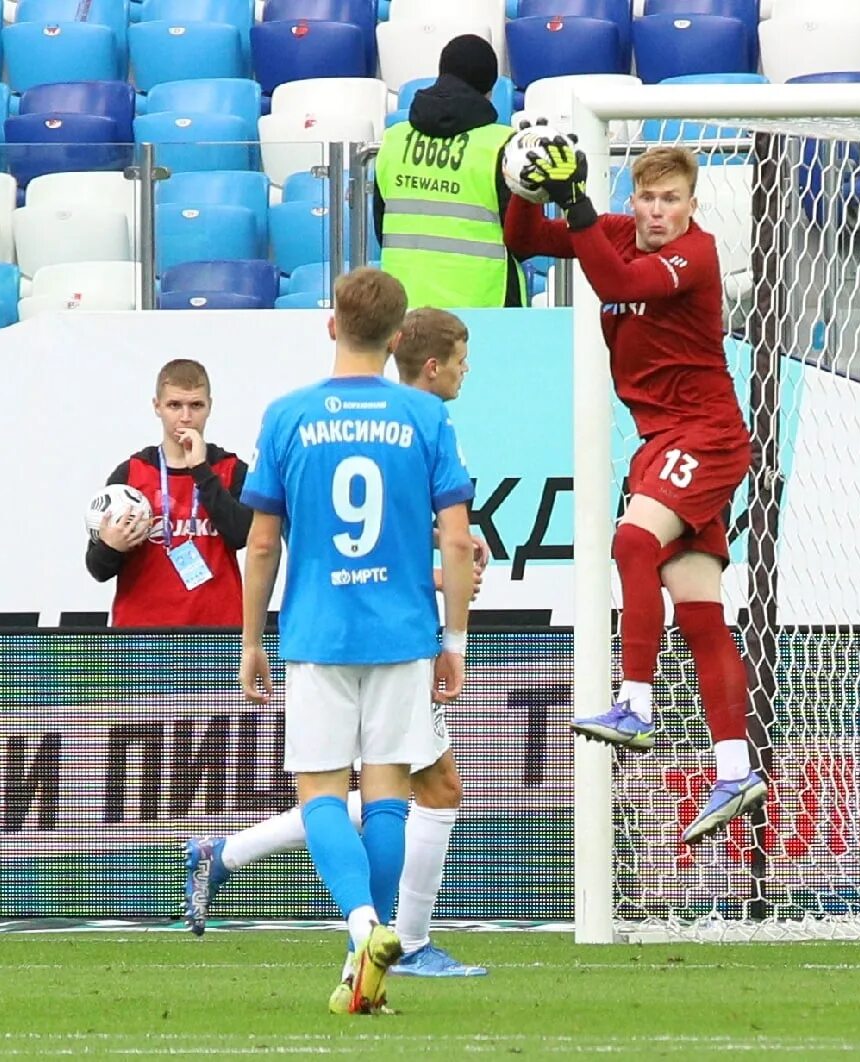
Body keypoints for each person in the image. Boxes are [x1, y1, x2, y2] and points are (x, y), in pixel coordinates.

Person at [184, 309, 490, 979]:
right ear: (419, 359)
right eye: (461, 360)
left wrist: (253, 638)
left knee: (365, 787)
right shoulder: (424, 423)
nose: (467, 371)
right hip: (398, 634)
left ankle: (236, 860)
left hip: (323, 629)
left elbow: (282, 537)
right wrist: (452, 611)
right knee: (416, 788)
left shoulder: (297, 416)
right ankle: (401, 943)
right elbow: (432, 538)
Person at [506, 141, 763, 845]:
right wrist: (524, 180)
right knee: (703, 615)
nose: (657, 211)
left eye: (671, 199)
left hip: (703, 435)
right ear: (635, 199)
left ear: (691, 204)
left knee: (632, 540)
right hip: (664, 439)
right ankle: (735, 769)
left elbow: (623, 277)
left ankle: (635, 704)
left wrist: (577, 201)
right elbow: (524, 238)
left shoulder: (697, 256)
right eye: (647, 198)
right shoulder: (617, 229)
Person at [85, 358, 251, 627]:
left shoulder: (230, 469)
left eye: (196, 405)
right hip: (141, 635)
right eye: (175, 405)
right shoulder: (132, 473)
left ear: (210, 406)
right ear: (157, 407)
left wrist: (200, 469)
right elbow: (97, 569)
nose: (185, 417)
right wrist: (109, 547)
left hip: (218, 632)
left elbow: (242, 535)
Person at [376, 34, 529, 309]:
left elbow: (381, 227)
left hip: (405, 313)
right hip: (485, 312)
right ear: (490, 89)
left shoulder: (393, 141)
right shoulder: (502, 146)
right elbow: (523, 240)